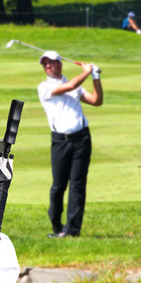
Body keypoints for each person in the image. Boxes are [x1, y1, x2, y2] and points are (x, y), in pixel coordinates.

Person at [37, 51, 103, 238]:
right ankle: (57, 226)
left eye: (51, 63)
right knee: (58, 185)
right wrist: (87, 71)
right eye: (45, 64)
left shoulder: (75, 86)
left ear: (60, 64)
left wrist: (95, 77)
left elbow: (97, 101)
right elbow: (72, 84)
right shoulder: (44, 87)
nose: (48, 66)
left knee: (78, 184)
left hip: (82, 139)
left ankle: (73, 230)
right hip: (60, 141)